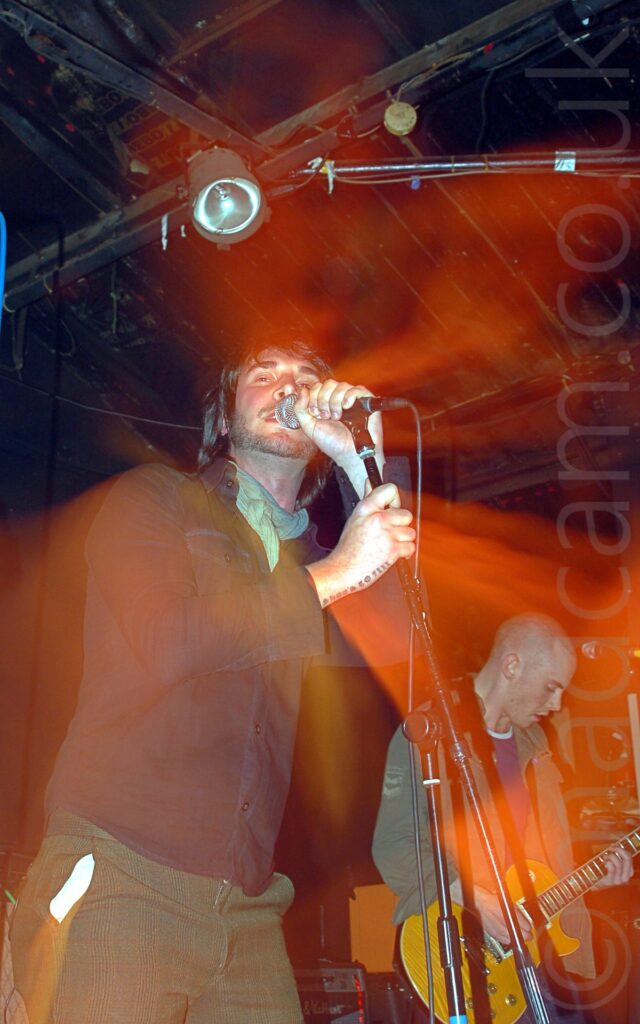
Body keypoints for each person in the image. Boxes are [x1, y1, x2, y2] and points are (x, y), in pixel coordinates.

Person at [10, 335, 416, 1024]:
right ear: (225, 419)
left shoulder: (315, 559)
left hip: (251, 909)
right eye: (265, 372)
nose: (289, 385)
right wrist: (331, 575)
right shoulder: (155, 500)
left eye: (306, 375)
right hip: (121, 871)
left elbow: (408, 640)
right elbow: (167, 641)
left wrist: (356, 461)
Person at [372, 614, 633, 1024]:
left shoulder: (535, 743)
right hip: (467, 952)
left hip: (543, 956)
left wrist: (589, 876)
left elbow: (540, 856)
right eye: (551, 687)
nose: (557, 705)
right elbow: (394, 844)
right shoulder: (431, 733)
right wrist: (473, 898)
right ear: (512, 666)